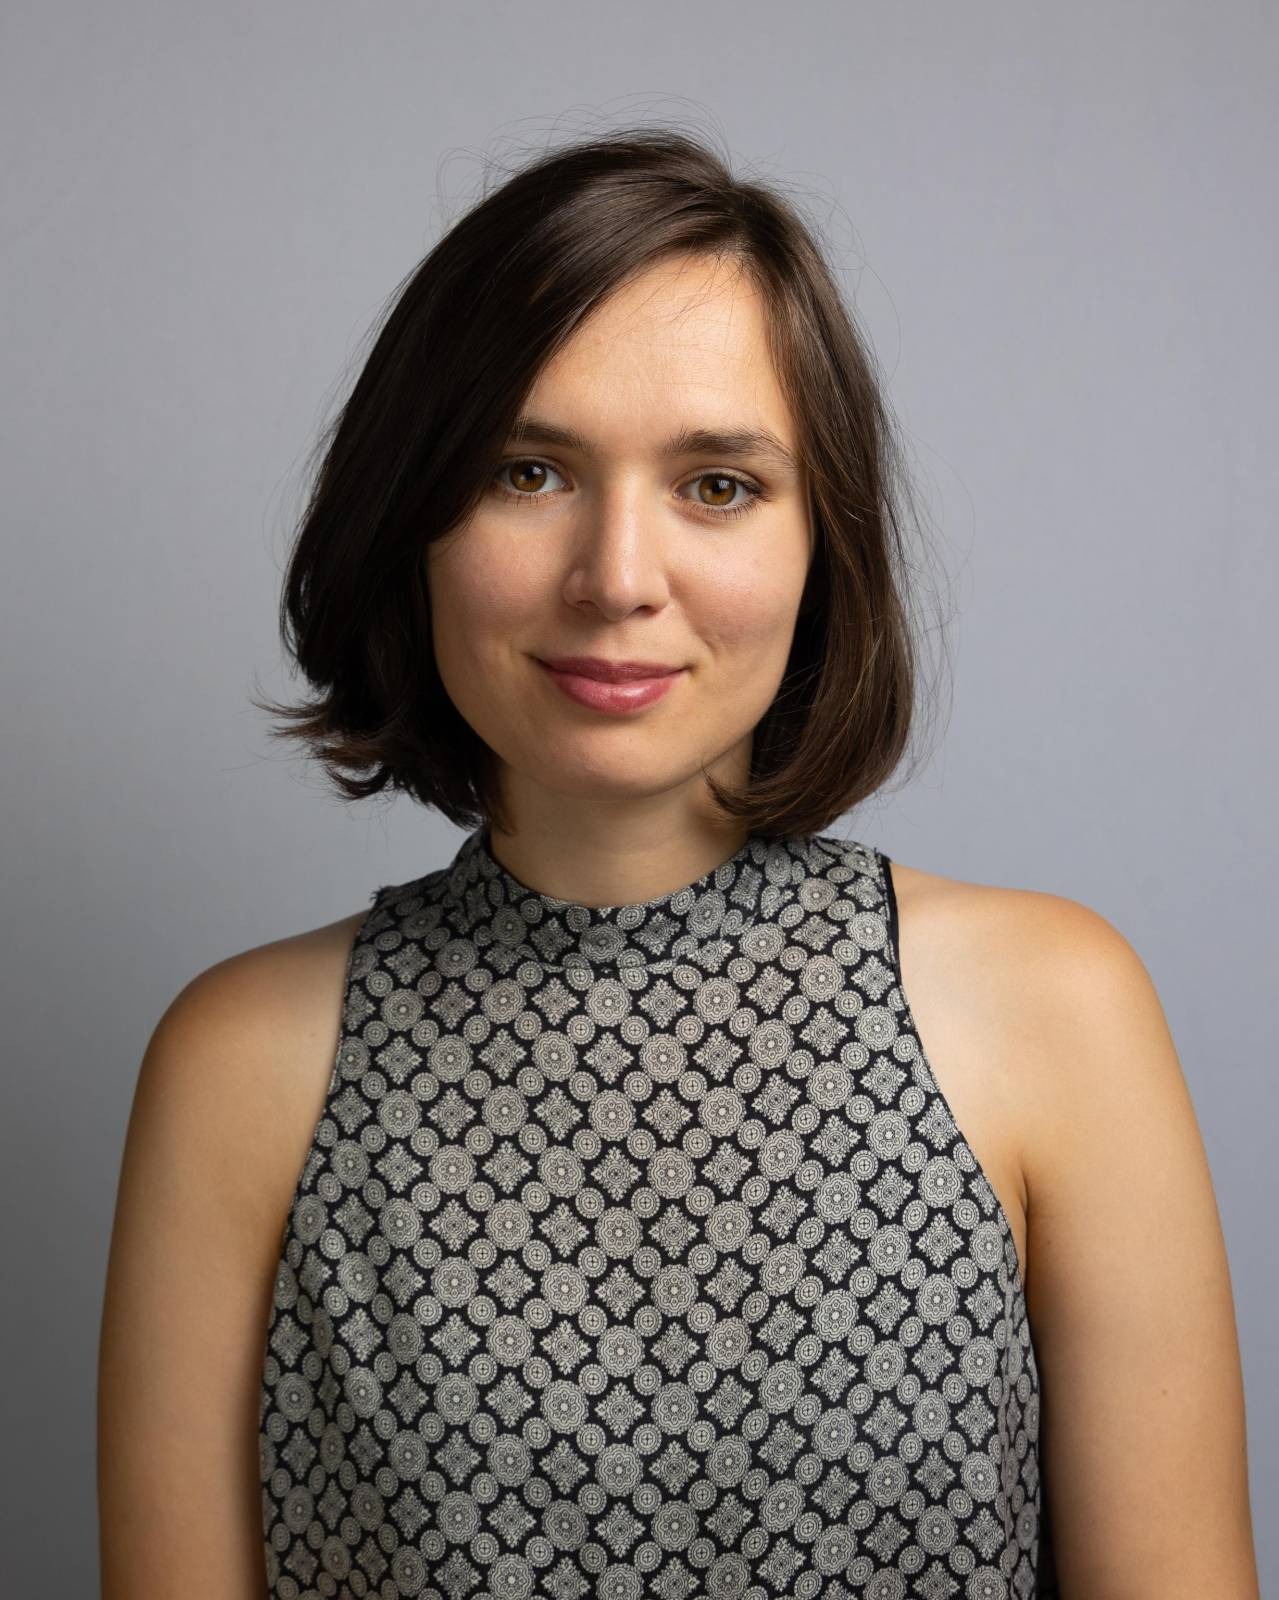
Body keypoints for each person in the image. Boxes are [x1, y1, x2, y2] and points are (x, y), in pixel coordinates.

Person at [97, 128, 1260, 1599]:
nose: (619, 576)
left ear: (818, 544)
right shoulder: (240, 1066)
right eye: (530, 470)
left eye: (716, 484)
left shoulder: (1054, 1012)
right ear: (413, 520)